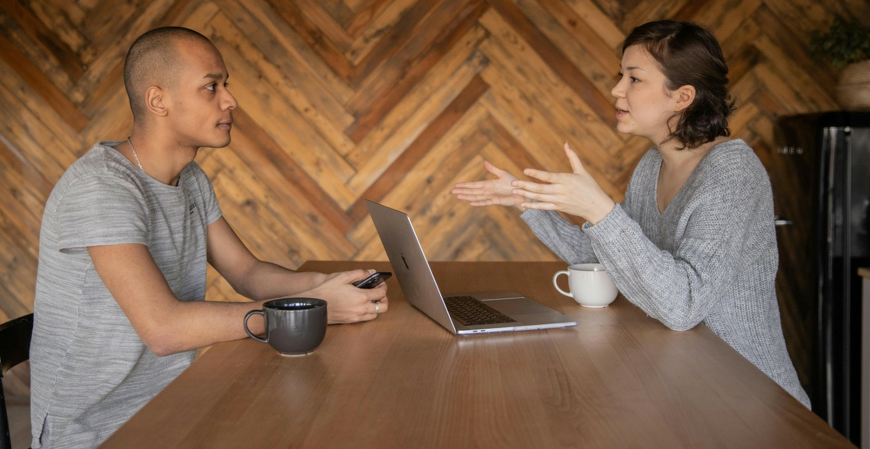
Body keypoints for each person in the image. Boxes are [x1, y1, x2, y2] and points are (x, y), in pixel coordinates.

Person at [29, 27, 389, 448]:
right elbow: (163, 329)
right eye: (210, 87)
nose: (230, 100)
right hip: (101, 431)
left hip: (174, 406)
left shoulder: (190, 179)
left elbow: (248, 272)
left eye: (226, 86)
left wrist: (330, 286)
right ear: (157, 100)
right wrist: (310, 310)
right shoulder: (102, 188)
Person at [452, 20, 810, 408]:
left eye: (634, 79)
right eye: (620, 75)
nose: (616, 89)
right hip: (685, 383)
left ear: (682, 96)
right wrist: (527, 202)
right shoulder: (650, 167)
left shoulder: (732, 173)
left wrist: (599, 210)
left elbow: (683, 306)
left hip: (748, 399)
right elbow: (610, 261)